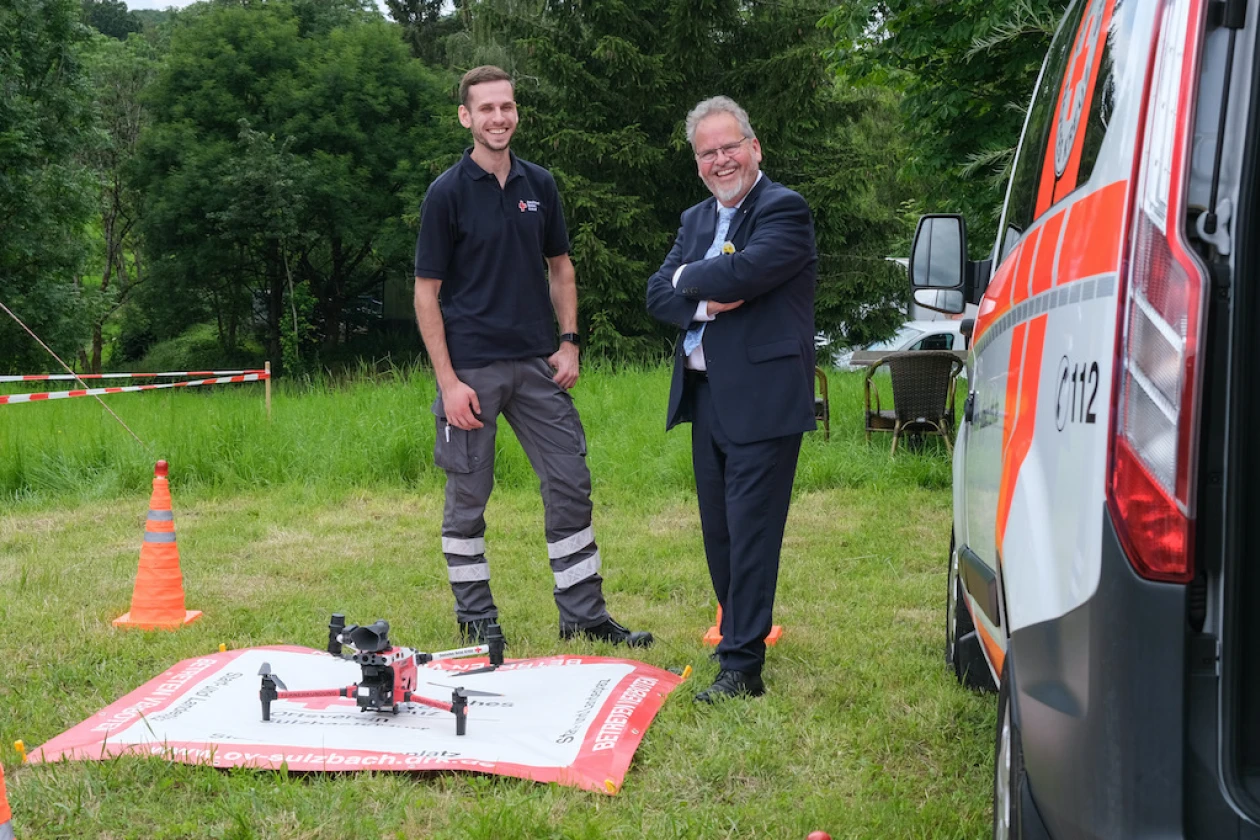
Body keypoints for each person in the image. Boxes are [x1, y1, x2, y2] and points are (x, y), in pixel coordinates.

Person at [414, 65, 652, 648]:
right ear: (466, 117)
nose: (499, 117)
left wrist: (569, 342)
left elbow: (562, 269)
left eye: (508, 107)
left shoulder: (539, 185)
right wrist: (448, 383)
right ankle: (475, 620)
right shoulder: (446, 193)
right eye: (487, 109)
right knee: (467, 497)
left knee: (571, 482)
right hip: (471, 370)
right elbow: (426, 294)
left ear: (516, 113)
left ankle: (585, 617)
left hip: (537, 366)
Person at [646, 96, 817, 702]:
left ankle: (741, 667)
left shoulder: (783, 209)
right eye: (707, 152)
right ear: (697, 163)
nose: (721, 161)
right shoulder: (695, 220)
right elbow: (654, 294)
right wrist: (702, 296)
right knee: (719, 531)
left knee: (752, 532)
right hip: (707, 397)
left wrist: (688, 278)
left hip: (764, 398)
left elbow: (749, 272)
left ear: (754, 148)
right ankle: (740, 629)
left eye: (729, 147)